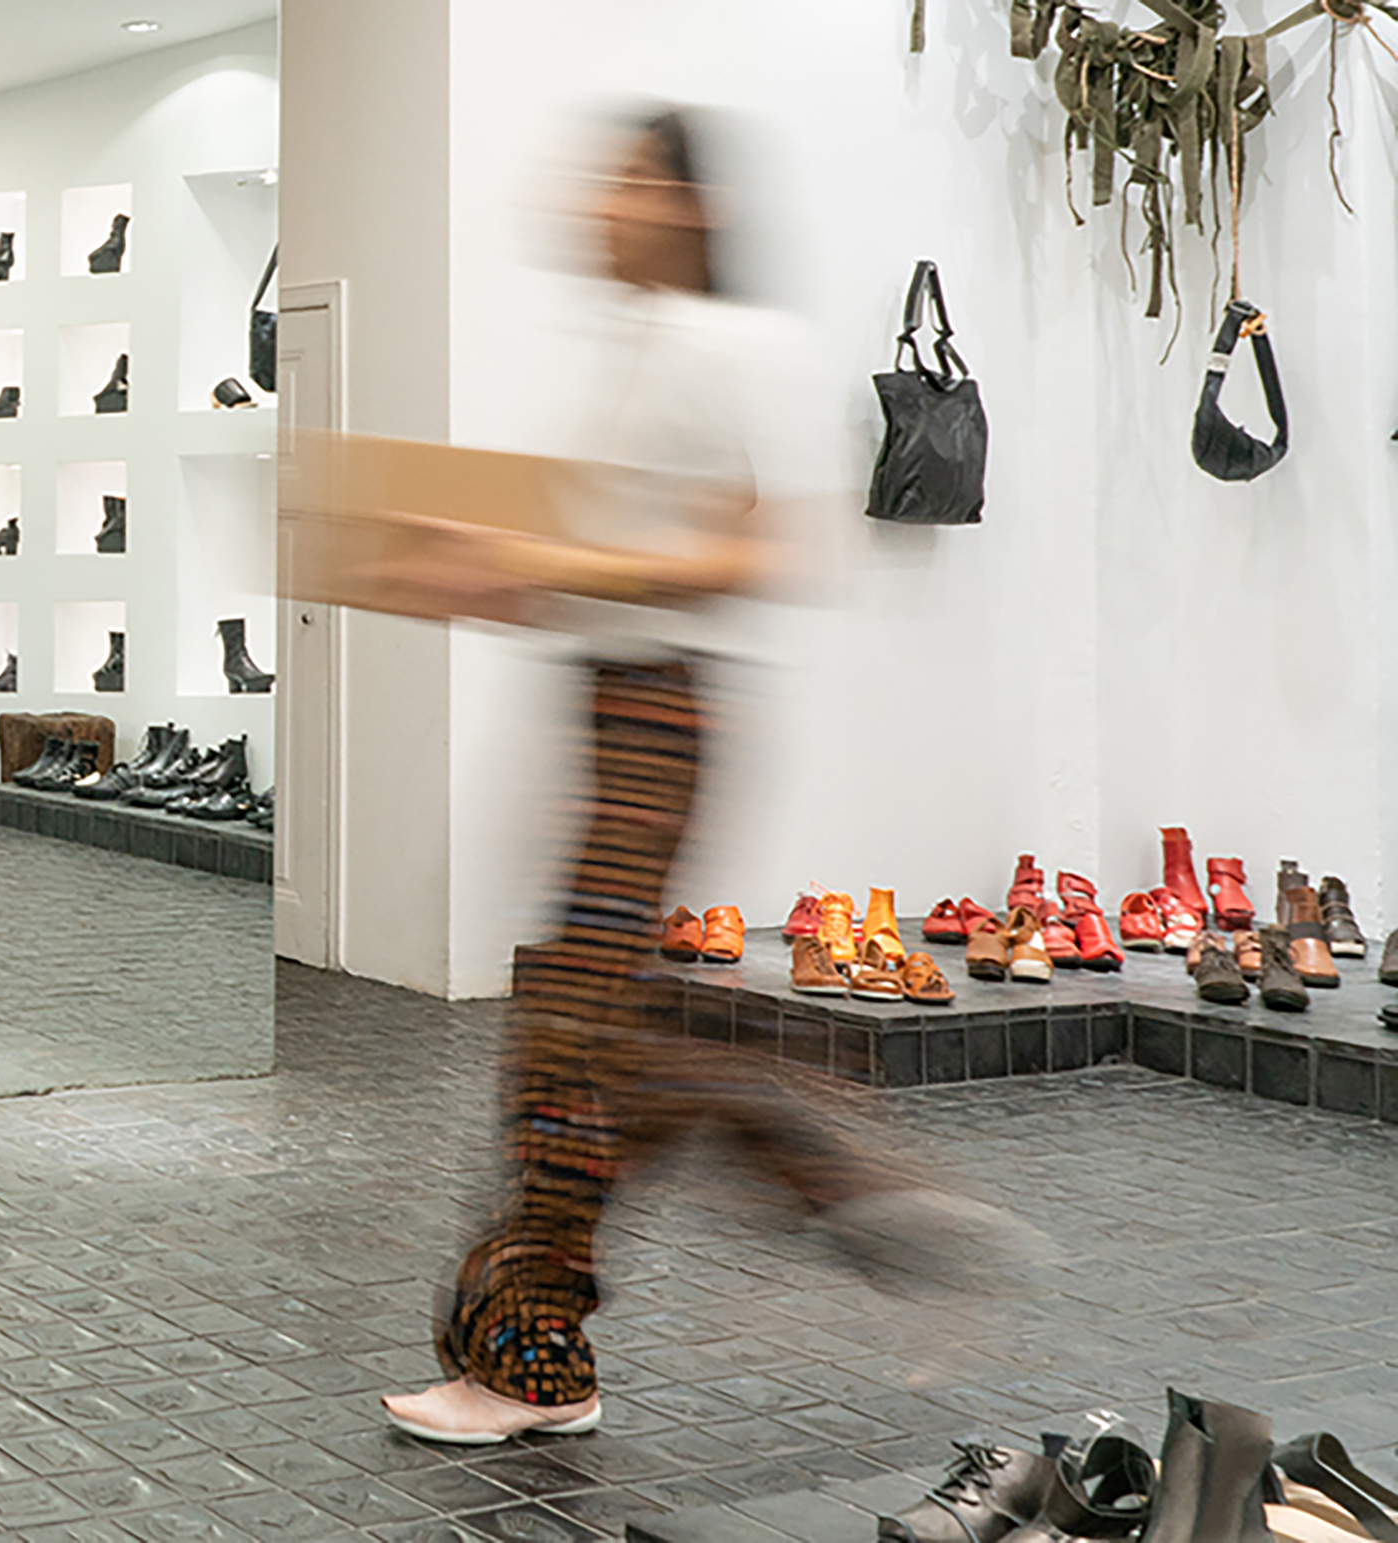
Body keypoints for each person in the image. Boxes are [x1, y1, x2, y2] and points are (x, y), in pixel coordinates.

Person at [375, 109, 1011, 1445]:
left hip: (656, 720)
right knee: (588, 1044)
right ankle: (820, 1187)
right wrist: (490, 571)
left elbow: (762, 553)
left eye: (624, 181)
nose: (594, 203)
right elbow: (610, 561)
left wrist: (548, 566)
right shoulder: (639, 350)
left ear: (688, 206)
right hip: (611, 710)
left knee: (570, 1053)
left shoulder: (730, 347)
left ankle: (549, 1352)